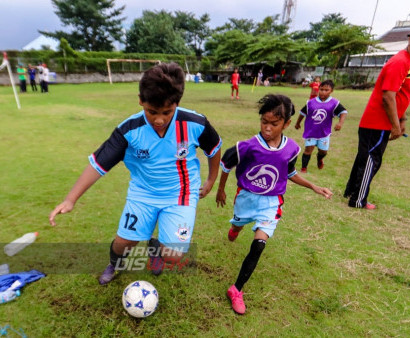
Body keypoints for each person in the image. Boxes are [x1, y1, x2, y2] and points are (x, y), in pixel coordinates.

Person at [49, 62, 223, 285]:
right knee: (124, 243)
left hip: (181, 195)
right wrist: (70, 199)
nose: (159, 120)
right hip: (143, 194)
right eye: (152, 112)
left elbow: (214, 148)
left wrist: (211, 179)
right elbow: (98, 164)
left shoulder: (195, 123)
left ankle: (156, 249)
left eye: (166, 113)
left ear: (177, 104)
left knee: (174, 255)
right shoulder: (128, 131)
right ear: (141, 101)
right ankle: (114, 264)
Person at [216, 94, 333, 314]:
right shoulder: (247, 146)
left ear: (287, 123)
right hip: (246, 197)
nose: (268, 128)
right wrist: (221, 189)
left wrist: (314, 187)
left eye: (274, 123)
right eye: (264, 122)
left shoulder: (291, 149)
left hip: (271, 202)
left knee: (258, 245)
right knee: (237, 225)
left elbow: (290, 173)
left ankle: (236, 289)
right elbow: (225, 163)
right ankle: (235, 228)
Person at [344, 23, 410, 210]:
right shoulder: (400, 61)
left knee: (364, 158)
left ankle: (351, 191)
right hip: (378, 122)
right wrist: (395, 125)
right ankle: (358, 200)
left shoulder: (409, 60)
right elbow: (388, 97)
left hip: (378, 122)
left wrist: (402, 119)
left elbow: (401, 94)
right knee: (372, 160)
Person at [294, 80, 348, 173]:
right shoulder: (311, 102)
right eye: (321, 89)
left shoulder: (334, 103)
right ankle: (304, 168)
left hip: (324, 132)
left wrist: (340, 123)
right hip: (311, 131)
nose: (323, 92)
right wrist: (298, 122)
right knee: (308, 149)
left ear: (331, 91)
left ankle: (319, 159)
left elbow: (343, 112)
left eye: (326, 90)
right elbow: (303, 113)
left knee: (323, 152)